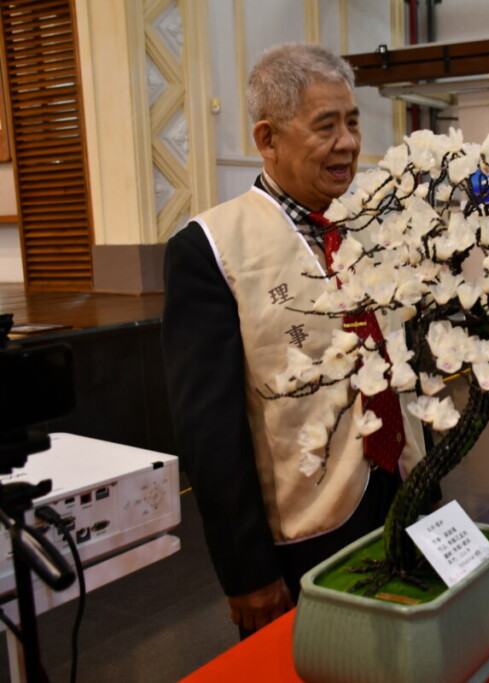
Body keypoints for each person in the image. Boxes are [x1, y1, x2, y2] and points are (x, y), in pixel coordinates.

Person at [162, 43, 424, 635]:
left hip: (400, 495)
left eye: (354, 122)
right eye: (326, 127)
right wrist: (246, 572)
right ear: (267, 138)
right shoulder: (211, 249)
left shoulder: (371, 230)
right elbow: (211, 431)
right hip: (306, 529)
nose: (349, 144)